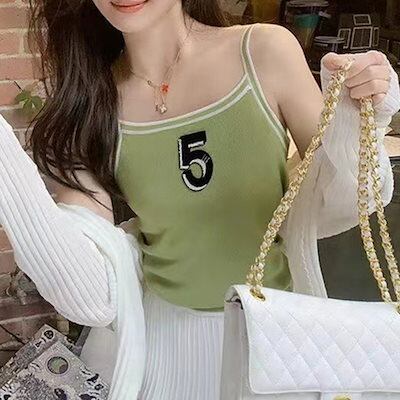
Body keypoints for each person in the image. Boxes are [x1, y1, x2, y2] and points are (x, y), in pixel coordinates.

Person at [0, 0, 398, 399]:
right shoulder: (88, 107)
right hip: (163, 359)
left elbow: (350, 200)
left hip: (276, 348)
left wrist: (357, 120)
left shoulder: (264, 52)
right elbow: (91, 298)